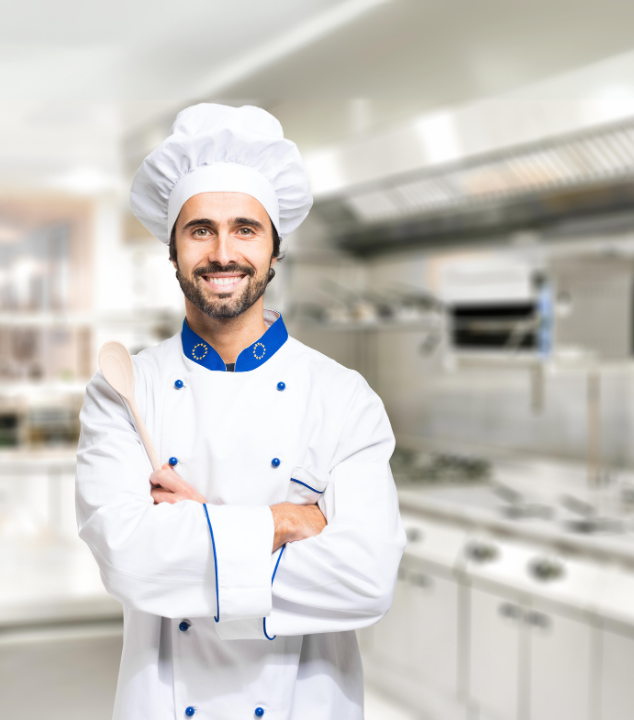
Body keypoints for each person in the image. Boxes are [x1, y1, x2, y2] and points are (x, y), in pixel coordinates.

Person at [76, 103, 405, 720]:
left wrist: (200, 527)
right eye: (200, 229)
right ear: (172, 250)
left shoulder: (343, 397)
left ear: (275, 248)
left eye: (245, 229)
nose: (223, 253)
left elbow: (366, 580)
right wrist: (287, 520)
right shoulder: (124, 389)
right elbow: (129, 560)